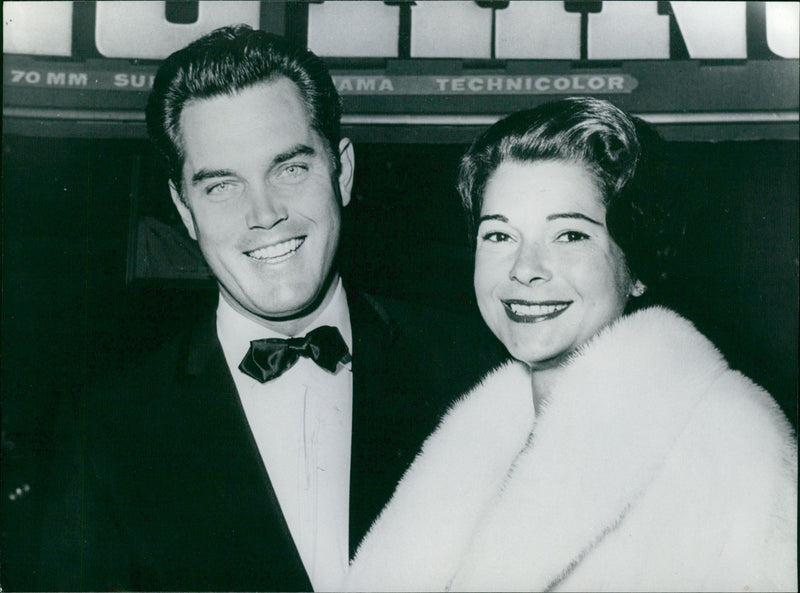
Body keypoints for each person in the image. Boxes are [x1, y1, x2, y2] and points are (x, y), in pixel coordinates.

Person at [38, 25, 501, 592]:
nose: (264, 213)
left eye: (290, 168)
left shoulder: (478, 373)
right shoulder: (108, 432)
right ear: (185, 212)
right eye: (221, 186)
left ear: (343, 171)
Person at [342, 98, 798, 592]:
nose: (524, 268)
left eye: (569, 235)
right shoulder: (465, 434)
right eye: (498, 235)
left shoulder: (731, 441)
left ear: (638, 265)